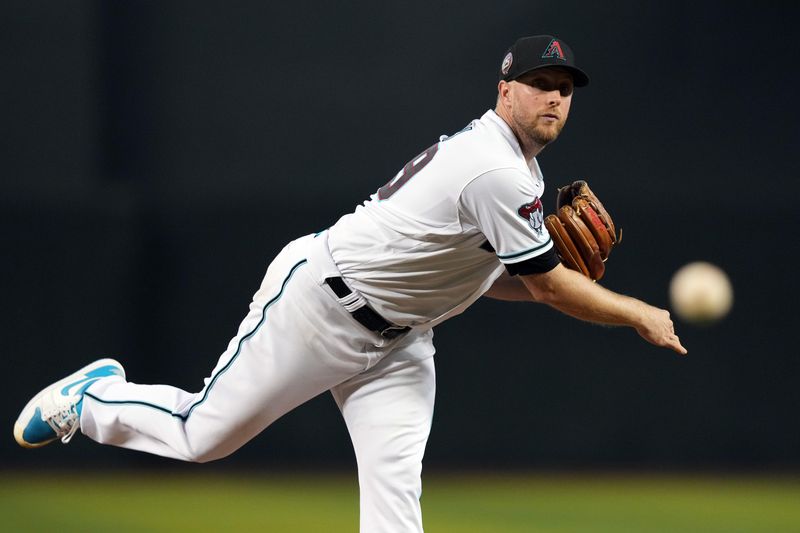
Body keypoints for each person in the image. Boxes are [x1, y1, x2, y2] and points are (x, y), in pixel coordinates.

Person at [14, 35, 686, 532]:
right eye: (541, 82)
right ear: (505, 91)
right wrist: (635, 312)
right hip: (320, 306)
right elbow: (547, 287)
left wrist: (542, 273)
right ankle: (93, 398)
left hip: (397, 347)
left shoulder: (522, 175)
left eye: (565, 89)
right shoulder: (494, 168)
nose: (554, 97)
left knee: (394, 510)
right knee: (201, 436)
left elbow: (492, 279)